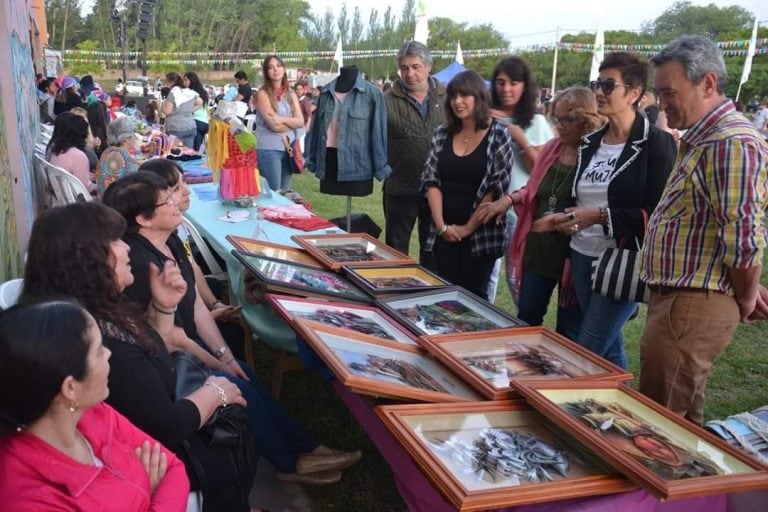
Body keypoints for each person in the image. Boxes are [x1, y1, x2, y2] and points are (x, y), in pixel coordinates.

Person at [102, 172, 362, 486]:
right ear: (144, 219)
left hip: (184, 349)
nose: (177, 200)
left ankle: (307, 448)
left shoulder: (167, 241)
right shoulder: (142, 266)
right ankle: (288, 462)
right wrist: (218, 362)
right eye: (168, 198)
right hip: (171, 363)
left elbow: (196, 305)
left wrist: (223, 353)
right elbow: (171, 338)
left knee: (241, 371)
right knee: (237, 382)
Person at [19, 202, 259, 511]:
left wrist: (162, 308)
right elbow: (167, 424)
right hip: (157, 455)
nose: (127, 248)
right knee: (226, 448)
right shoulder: (92, 337)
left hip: (142, 446)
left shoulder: (88, 311)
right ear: (89, 258)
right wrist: (215, 392)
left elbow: (149, 355)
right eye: (115, 241)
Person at [639, 35, 768, 424]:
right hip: (684, 300)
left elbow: (743, 239)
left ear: (707, 83)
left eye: (669, 92)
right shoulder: (707, 139)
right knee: (679, 420)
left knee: (658, 427)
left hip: (694, 301)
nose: (661, 104)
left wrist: (746, 295)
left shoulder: (729, 142)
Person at [531, 53, 676, 368]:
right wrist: (565, 218)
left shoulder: (656, 143)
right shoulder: (591, 142)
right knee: (607, 351)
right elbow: (582, 199)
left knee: (586, 350)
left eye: (609, 85)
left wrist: (599, 217)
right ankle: (617, 412)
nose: (599, 91)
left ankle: (576, 412)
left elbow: (657, 214)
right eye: (597, 83)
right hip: (582, 254)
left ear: (634, 93)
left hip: (622, 261)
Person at [0, 301, 190, 511]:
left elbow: (175, 468)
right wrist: (147, 493)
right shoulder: (31, 500)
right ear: (70, 387)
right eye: (99, 350)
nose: (109, 353)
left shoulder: (92, 413)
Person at [477, 87, 602, 339]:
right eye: (557, 118)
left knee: (569, 331)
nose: (560, 126)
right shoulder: (552, 148)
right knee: (526, 319)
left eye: (568, 119)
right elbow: (532, 186)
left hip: (574, 257)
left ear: (586, 120)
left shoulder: (596, 156)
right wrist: (509, 200)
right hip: (539, 250)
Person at [139, 158, 247, 360]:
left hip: (183, 318)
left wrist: (213, 305)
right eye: (177, 188)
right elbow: (174, 329)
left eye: (185, 183)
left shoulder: (172, 234)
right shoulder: (151, 260)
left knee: (212, 286)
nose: (188, 191)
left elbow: (190, 268)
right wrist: (223, 362)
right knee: (232, 332)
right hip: (178, 335)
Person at [421, 70, 512, 299]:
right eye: (453, 96)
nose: (457, 102)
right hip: (443, 232)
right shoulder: (442, 133)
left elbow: (496, 186)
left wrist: (467, 229)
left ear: (479, 97)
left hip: (481, 236)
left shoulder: (498, 133)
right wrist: (442, 227)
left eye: (464, 96)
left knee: (473, 301)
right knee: (442, 297)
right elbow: (431, 180)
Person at [481, 56, 555, 301]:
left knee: (516, 279)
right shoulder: (486, 117)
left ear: (525, 86)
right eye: (501, 82)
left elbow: (541, 170)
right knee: (485, 276)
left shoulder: (537, 121)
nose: (506, 89)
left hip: (518, 211)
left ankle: (523, 328)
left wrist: (520, 138)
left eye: (514, 82)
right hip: (487, 207)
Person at [384, 41, 446, 269]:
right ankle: (394, 297)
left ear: (428, 66)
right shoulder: (386, 100)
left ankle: (429, 297)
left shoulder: (446, 96)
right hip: (400, 186)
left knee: (433, 251)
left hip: (438, 188)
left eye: (416, 66)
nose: (410, 73)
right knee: (395, 251)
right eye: (404, 68)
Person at [253, 55, 304, 191]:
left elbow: (301, 121)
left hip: (289, 148)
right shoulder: (262, 94)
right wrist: (291, 122)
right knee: (274, 192)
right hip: (269, 148)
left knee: (285, 193)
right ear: (266, 72)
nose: (275, 69)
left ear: (284, 69)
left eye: (278, 66)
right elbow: (274, 126)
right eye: (270, 67)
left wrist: (282, 119)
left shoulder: (291, 94)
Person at [47, 112, 96, 194]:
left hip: (62, 197)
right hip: (78, 201)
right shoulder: (79, 156)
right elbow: (86, 188)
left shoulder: (56, 151)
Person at [94, 116, 140, 195]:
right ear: (126, 139)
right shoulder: (127, 160)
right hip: (117, 204)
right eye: (134, 135)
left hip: (103, 200)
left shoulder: (107, 151)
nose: (135, 138)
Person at [161, 72, 201, 149]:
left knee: (174, 154)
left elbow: (167, 111)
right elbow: (200, 102)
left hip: (176, 127)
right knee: (187, 154)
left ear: (171, 82)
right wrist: (189, 110)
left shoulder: (173, 92)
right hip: (190, 126)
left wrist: (162, 106)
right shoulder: (189, 92)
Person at [183, 72, 210, 151]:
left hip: (195, 121)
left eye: (186, 80)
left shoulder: (189, 93)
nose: (184, 82)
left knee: (192, 148)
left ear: (191, 81)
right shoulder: (203, 92)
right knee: (197, 145)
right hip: (205, 123)